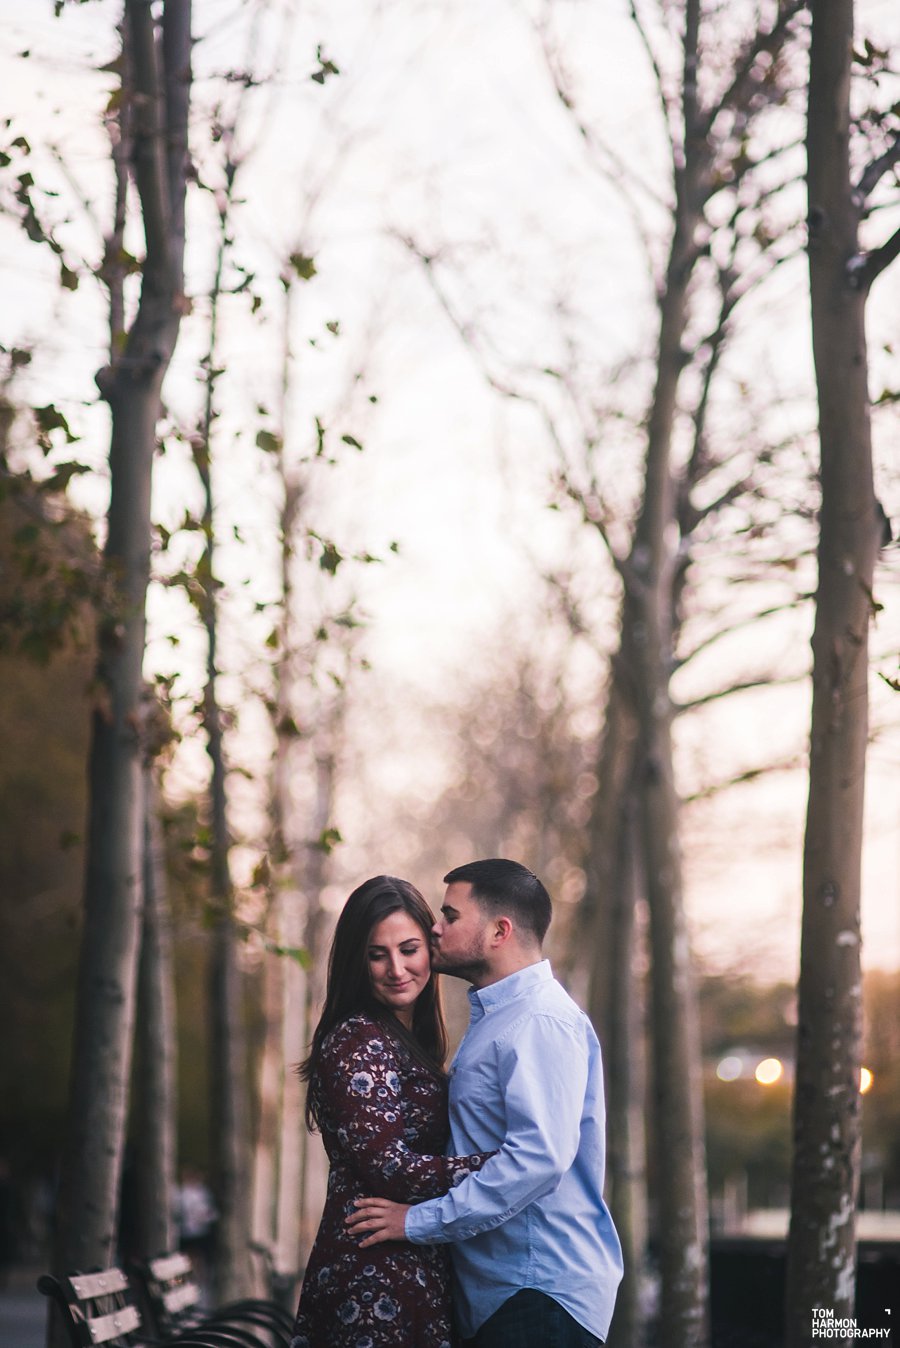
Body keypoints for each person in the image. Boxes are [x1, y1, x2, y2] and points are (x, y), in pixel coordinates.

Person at [347, 858, 623, 1348]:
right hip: (508, 1294)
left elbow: (539, 1159)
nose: (435, 926)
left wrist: (417, 1221)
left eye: (450, 916)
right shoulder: (501, 1017)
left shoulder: (538, 1020)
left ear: (499, 931)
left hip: (538, 1290)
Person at [290, 875, 494, 1348]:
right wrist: (502, 1163)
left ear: (431, 948)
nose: (397, 969)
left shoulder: (405, 1039)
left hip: (409, 1265)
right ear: (355, 963)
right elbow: (390, 1168)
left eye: (408, 949)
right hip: (372, 1277)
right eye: (376, 954)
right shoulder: (359, 1039)